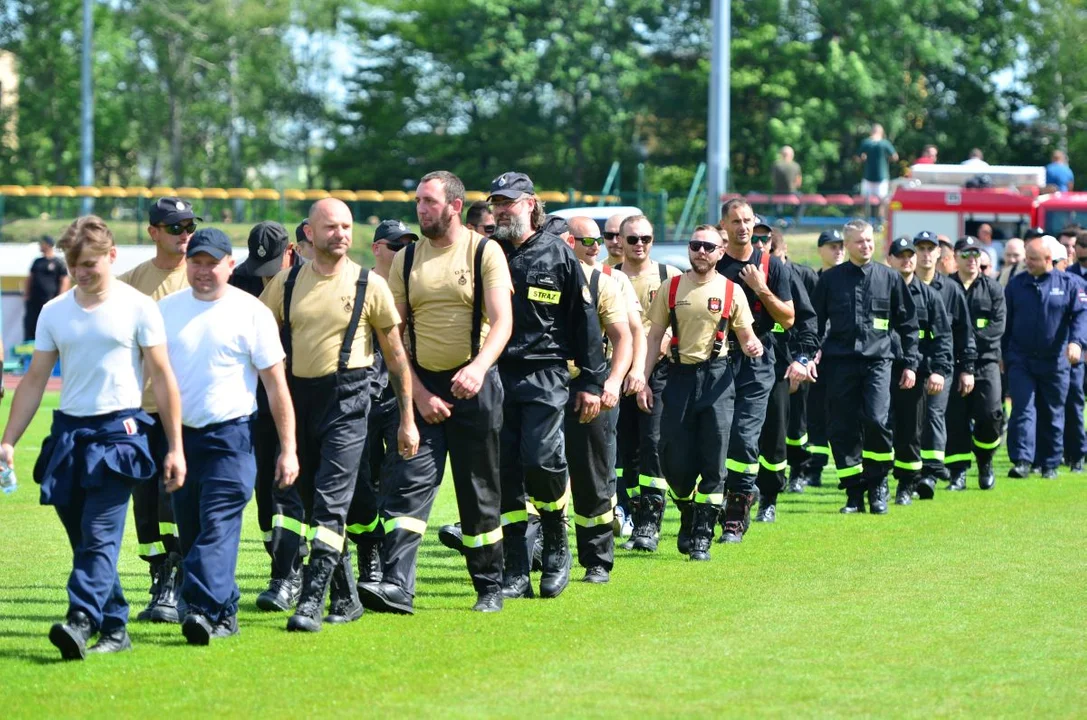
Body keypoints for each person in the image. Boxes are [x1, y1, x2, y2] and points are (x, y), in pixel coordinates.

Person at [0, 215, 184, 660]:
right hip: (68, 433)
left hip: (119, 435)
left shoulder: (139, 306)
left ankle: (81, 620)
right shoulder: (53, 311)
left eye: (91, 262)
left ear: (112, 255)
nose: (83, 271)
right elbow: (33, 380)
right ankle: (116, 624)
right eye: (75, 263)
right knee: (84, 539)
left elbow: (162, 377)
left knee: (100, 536)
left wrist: (176, 446)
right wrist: (7, 441)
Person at [260, 198, 419, 631]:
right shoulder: (285, 283)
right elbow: (256, 340)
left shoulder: (370, 285)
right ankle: (346, 599)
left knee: (331, 504)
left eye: (347, 226)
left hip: (348, 405)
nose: (341, 234)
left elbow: (396, 356)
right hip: (297, 403)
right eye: (331, 227)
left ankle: (311, 599)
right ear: (309, 233)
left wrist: (407, 418)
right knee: (310, 502)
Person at [379, 171, 512, 614]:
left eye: (430, 202)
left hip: (476, 385)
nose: (420, 209)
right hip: (424, 387)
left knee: (478, 493)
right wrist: (417, 394)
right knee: (408, 486)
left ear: (455, 206)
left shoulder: (485, 252)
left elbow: (503, 321)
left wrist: (478, 368)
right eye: (418, 200)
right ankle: (397, 585)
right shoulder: (408, 257)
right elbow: (393, 334)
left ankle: (489, 586)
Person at [158, 229, 298, 645]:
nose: (203, 271)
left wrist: (288, 449)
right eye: (196, 262)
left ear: (230, 265)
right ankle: (225, 610)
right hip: (181, 439)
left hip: (232, 437)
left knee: (218, 527)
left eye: (212, 263)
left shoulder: (251, 312)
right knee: (194, 531)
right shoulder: (165, 311)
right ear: (188, 264)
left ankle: (200, 608)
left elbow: (276, 386)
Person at [490, 171, 605, 600]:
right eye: (497, 202)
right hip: (496, 372)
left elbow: (585, 320)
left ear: (531, 203)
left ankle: (557, 542)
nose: (502, 209)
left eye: (510, 202)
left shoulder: (558, 254)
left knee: (541, 458)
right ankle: (516, 567)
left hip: (544, 372)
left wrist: (592, 382)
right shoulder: (488, 252)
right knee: (504, 472)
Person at [641, 226, 761, 560]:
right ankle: (687, 510)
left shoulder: (730, 290)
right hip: (677, 377)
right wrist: (643, 377)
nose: (701, 252)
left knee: (713, 460)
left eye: (708, 246)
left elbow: (746, 334)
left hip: (717, 378)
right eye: (695, 245)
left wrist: (752, 344)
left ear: (721, 252)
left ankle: (702, 537)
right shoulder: (672, 286)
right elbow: (653, 338)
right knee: (673, 461)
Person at [118, 196, 198, 624]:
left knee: (179, 502)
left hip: (190, 413)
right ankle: (159, 577)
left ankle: (180, 579)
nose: (184, 234)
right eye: (174, 227)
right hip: (142, 412)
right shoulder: (129, 283)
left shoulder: (203, 275)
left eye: (188, 225)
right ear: (153, 232)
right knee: (146, 504)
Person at [811, 219, 919, 514]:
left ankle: (878, 483)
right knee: (842, 428)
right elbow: (814, 323)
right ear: (847, 246)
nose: (866, 246)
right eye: (859, 241)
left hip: (878, 362)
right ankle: (854, 493)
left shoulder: (890, 277)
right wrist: (810, 355)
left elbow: (908, 324)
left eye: (870, 240)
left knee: (876, 420)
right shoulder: (830, 280)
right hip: (839, 364)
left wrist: (910, 363)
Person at [225, 222, 306, 612]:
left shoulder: (312, 274)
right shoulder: (238, 280)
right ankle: (282, 568)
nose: (266, 277)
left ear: (291, 251)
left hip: (303, 394)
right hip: (254, 398)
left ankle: (294, 572)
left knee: (294, 484)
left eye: (273, 266)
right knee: (264, 489)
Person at [555, 216, 635, 582]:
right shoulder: (536, 277)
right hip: (544, 385)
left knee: (592, 476)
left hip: (588, 386)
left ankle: (598, 560)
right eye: (585, 240)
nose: (594, 247)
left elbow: (623, 337)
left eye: (597, 240)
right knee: (534, 471)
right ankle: (542, 551)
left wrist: (613, 382)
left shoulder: (602, 282)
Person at [715, 200, 796, 539]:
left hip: (758, 360)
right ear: (724, 225)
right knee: (714, 437)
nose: (743, 227)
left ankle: (736, 514)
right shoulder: (713, 264)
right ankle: (707, 508)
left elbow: (789, 318)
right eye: (735, 221)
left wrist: (761, 287)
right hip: (715, 358)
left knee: (745, 439)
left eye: (748, 220)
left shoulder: (771, 265)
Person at [346, 219, 418, 597]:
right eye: (395, 245)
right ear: (376, 248)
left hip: (399, 399)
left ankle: (393, 571)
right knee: (362, 485)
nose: (402, 251)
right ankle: (367, 552)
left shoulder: (416, 285)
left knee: (401, 484)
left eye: (409, 244)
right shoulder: (357, 285)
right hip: (361, 399)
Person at [614, 214, 681, 552]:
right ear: (620, 242)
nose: (639, 244)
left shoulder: (671, 277)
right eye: (632, 239)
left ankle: (649, 526)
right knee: (625, 453)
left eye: (646, 238)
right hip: (615, 375)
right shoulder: (606, 277)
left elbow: (674, 332)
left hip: (657, 374)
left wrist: (643, 374)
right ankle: (631, 516)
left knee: (653, 446)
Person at [1003, 236, 1087, 479]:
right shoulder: (1017, 285)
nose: (1027, 262)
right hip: (1021, 359)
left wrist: (1076, 343)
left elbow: (1081, 317)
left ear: (1048, 260)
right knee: (1023, 409)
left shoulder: (1069, 284)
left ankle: (1049, 463)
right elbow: (1006, 322)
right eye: (1026, 258)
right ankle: (1022, 460)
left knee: (1052, 412)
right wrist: (1003, 353)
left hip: (1055, 360)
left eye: (1032, 259)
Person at [885, 238, 953, 504]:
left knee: (910, 430)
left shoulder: (930, 296)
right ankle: (875, 480)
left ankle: (906, 483)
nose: (907, 260)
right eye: (900, 256)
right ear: (889, 259)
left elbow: (943, 337)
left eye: (910, 255)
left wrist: (939, 370)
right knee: (876, 425)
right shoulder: (880, 289)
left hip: (916, 372)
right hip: (879, 368)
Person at [913, 231, 977, 494]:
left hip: (942, 366)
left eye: (931, 249)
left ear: (940, 254)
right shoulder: (901, 286)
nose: (926, 254)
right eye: (922, 249)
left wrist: (968, 369)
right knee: (910, 419)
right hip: (910, 365)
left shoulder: (950, 290)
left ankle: (931, 472)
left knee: (934, 415)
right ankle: (913, 471)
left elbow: (964, 333)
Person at [944, 237, 1007, 491]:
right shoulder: (945, 287)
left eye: (976, 255)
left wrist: (967, 340)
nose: (972, 260)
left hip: (985, 362)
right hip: (953, 363)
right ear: (955, 258)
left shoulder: (993, 289)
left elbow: (997, 327)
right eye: (966, 255)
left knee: (991, 414)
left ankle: (985, 461)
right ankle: (958, 472)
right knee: (955, 418)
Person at [789, 229, 844, 491]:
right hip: (818, 359)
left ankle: (850, 470)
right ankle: (814, 467)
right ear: (820, 250)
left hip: (845, 359)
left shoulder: (854, 279)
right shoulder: (815, 279)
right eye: (832, 246)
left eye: (841, 246)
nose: (838, 250)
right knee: (814, 416)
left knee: (844, 417)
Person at [23, 235, 69, 341]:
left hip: (50, 301)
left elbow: (64, 280)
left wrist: (60, 298)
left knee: (49, 325)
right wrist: (26, 294)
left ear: (48, 245)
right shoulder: (37, 261)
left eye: (42, 243)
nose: (40, 246)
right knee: (31, 324)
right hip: (34, 301)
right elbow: (30, 278)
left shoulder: (58, 262)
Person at [857, 123, 898, 220]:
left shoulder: (866, 142)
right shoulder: (885, 143)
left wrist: (864, 158)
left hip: (868, 176)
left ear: (871, 131)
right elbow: (895, 157)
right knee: (883, 201)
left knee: (865, 201)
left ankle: (865, 220)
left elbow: (858, 158)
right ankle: (881, 221)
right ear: (881, 132)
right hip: (882, 176)